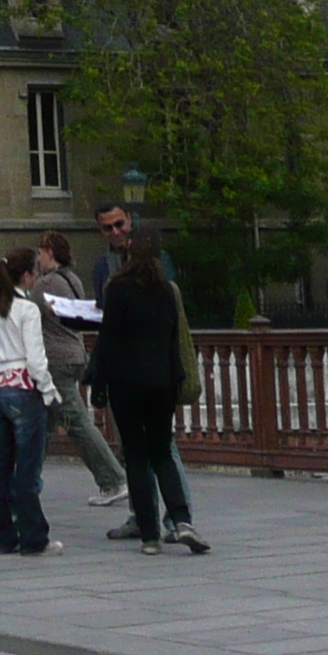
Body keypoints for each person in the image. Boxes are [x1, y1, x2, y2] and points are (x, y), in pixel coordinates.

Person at [88, 223, 206, 555]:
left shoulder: (118, 288)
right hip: (161, 383)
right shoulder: (168, 290)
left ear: (128, 250)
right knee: (162, 453)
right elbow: (173, 341)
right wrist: (177, 378)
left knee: (136, 458)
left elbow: (108, 341)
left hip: (125, 383)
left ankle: (150, 536)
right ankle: (182, 519)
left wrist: (99, 385)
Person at [0, 246, 62, 556]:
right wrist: (48, 391)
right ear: (26, 276)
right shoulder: (27, 310)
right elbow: (36, 359)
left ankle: (3, 536)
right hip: (24, 388)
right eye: (35, 271)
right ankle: (34, 536)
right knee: (27, 467)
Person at [28, 231, 125, 513]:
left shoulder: (45, 284)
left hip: (54, 359)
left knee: (77, 422)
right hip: (75, 352)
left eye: (40, 251)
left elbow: (28, 314)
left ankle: (113, 479)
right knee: (42, 425)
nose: (38, 257)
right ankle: (27, 482)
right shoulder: (72, 278)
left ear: (49, 252)